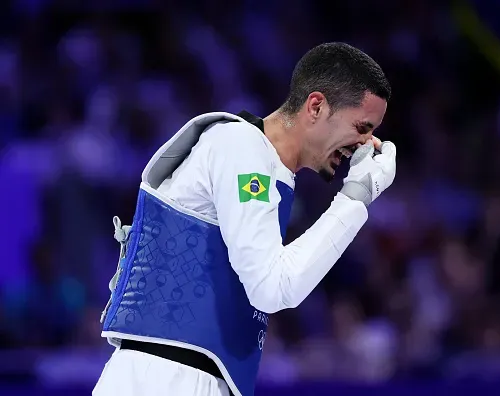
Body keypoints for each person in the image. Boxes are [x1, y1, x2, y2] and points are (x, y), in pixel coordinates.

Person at [93, 42, 397, 396]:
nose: (365, 145)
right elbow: (272, 287)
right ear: (315, 106)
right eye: (362, 127)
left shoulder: (268, 172)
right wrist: (356, 198)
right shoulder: (239, 145)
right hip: (165, 379)